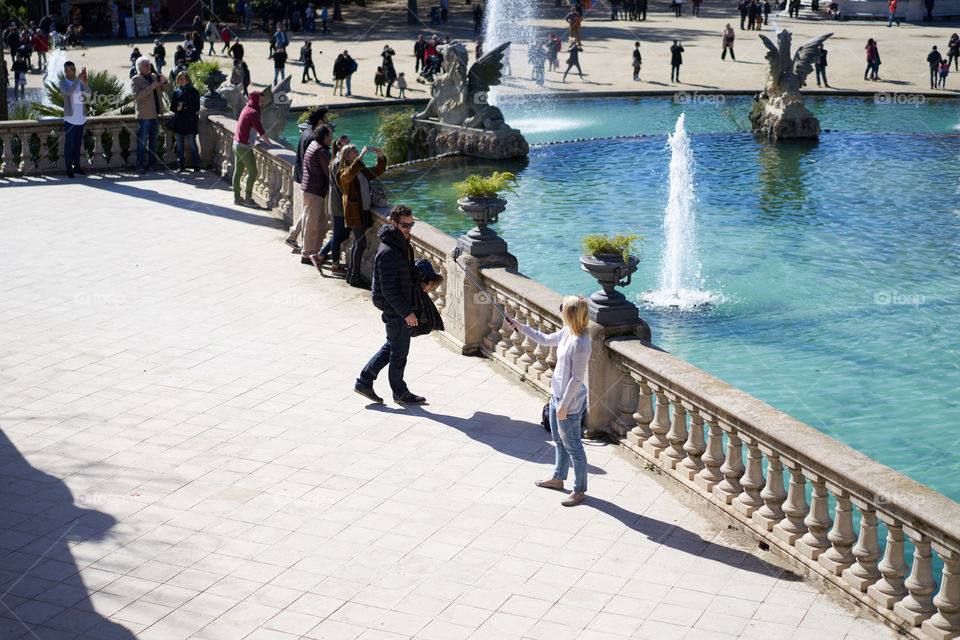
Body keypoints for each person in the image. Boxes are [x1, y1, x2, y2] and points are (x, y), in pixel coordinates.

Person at [507, 296, 591, 507]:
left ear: (570, 314)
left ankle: (579, 490)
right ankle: (558, 478)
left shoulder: (580, 343)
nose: (560, 309)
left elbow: (577, 378)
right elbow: (544, 339)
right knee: (558, 440)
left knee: (574, 448)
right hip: (556, 397)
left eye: (564, 308)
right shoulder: (567, 332)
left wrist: (564, 405)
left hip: (568, 403)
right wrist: (521, 327)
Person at [354, 205, 426, 406]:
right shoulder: (388, 251)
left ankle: (364, 381)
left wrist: (420, 285)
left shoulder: (403, 244)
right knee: (399, 353)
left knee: (393, 347)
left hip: (400, 307)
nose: (409, 228)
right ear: (393, 223)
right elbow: (388, 289)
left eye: (411, 224)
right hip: (396, 310)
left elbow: (404, 279)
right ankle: (400, 393)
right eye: (405, 225)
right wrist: (407, 313)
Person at [337, 143, 387, 287]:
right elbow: (348, 176)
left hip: (363, 212)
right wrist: (362, 156)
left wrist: (380, 156)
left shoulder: (362, 171)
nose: (357, 153)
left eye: (357, 151)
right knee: (360, 244)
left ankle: (351, 275)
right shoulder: (343, 172)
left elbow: (377, 171)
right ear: (346, 156)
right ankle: (354, 277)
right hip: (354, 214)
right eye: (354, 152)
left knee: (357, 244)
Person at [286, 106, 329, 252]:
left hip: (304, 180)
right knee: (312, 220)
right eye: (326, 118)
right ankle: (307, 251)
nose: (327, 121)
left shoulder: (306, 132)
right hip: (312, 183)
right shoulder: (313, 138)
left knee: (308, 213)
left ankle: (293, 236)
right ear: (320, 121)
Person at [315, 134, 352, 277]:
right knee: (338, 235)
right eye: (347, 145)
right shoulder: (338, 162)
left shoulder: (339, 161)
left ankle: (320, 255)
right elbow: (341, 185)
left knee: (343, 234)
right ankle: (335, 265)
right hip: (338, 205)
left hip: (339, 204)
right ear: (340, 146)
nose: (350, 147)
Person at [300, 124, 334, 269]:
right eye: (330, 136)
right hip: (315, 192)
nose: (332, 139)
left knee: (311, 223)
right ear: (325, 137)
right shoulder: (321, 151)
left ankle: (312, 253)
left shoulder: (313, 144)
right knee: (313, 224)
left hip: (309, 190)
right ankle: (307, 254)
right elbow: (330, 171)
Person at [232, 91, 272, 206]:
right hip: (244, 147)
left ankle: (237, 197)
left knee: (238, 172)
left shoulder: (246, 108)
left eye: (263, 100)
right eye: (260, 100)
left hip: (236, 144)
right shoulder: (253, 112)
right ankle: (248, 199)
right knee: (253, 172)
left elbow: (249, 127)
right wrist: (269, 144)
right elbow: (262, 131)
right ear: (254, 100)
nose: (262, 103)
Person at [131, 56, 170, 173]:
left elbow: (166, 89)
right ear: (139, 67)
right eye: (146, 65)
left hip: (155, 114)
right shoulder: (135, 79)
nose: (149, 67)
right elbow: (136, 96)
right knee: (142, 142)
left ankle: (153, 163)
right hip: (144, 116)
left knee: (153, 141)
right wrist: (150, 88)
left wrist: (164, 82)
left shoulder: (154, 77)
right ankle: (139, 165)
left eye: (149, 65)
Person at [60, 60, 91, 178]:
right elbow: (68, 93)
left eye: (74, 69)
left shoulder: (80, 83)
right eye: (71, 69)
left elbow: (88, 95)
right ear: (65, 71)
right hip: (70, 119)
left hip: (80, 118)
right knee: (69, 145)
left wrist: (86, 83)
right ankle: (69, 169)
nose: (73, 71)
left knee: (78, 145)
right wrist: (78, 80)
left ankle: (77, 167)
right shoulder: (63, 83)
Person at [169, 71, 201, 173]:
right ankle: (181, 165)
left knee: (192, 144)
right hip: (179, 122)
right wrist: (177, 108)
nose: (181, 81)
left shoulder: (194, 92)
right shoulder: (176, 92)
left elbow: (196, 108)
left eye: (183, 79)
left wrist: (185, 105)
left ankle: (196, 164)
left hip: (190, 121)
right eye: (180, 79)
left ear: (187, 80)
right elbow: (172, 107)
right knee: (179, 146)